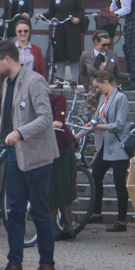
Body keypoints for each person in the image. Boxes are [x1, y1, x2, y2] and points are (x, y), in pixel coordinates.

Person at [0, 40, 56, 270]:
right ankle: (14, 263)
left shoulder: (34, 81)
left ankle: (47, 263)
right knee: (14, 210)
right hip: (15, 155)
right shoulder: (6, 83)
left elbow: (47, 118)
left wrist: (20, 132)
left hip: (37, 156)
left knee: (39, 210)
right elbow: (6, 120)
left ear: (7, 59)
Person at [80, 70, 132, 230]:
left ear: (105, 82)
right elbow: (96, 118)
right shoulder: (104, 98)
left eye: (97, 86)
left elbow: (119, 124)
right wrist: (80, 133)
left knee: (119, 183)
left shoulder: (120, 98)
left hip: (119, 146)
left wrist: (98, 126)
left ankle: (122, 221)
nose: (97, 90)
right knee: (96, 175)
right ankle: (97, 213)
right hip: (107, 146)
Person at [48, 89, 78, 240]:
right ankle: (68, 227)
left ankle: (54, 228)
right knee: (59, 187)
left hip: (60, 145)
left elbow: (60, 99)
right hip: (52, 146)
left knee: (54, 187)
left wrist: (57, 120)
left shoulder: (48, 97)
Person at [47, 0, 86, 83]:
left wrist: (78, 18)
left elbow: (80, 10)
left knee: (73, 53)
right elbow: (51, 12)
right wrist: (41, 16)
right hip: (60, 28)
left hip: (73, 28)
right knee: (60, 53)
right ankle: (59, 80)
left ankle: (74, 80)